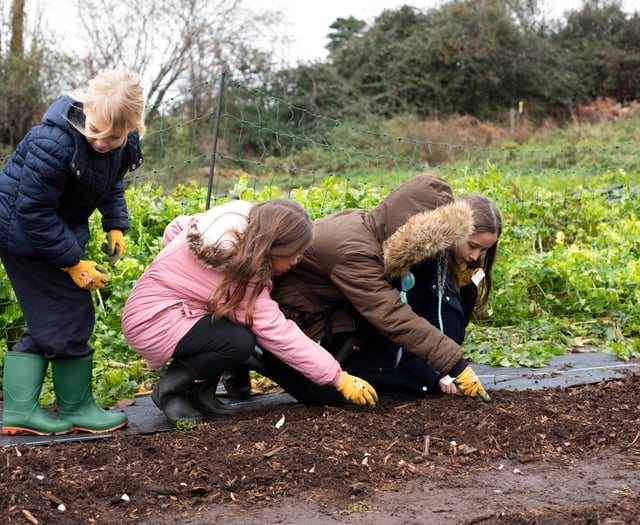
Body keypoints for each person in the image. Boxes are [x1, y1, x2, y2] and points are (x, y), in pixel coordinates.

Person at [223, 174, 498, 405]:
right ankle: (252, 354)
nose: (474, 256)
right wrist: (455, 365)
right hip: (287, 314)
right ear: (415, 226)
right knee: (325, 395)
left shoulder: (375, 230)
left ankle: (246, 355)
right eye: (470, 245)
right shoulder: (356, 252)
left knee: (345, 369)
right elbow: (391, 315)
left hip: (325, 312)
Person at [121, 198, 378, 427]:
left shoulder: (219, 231)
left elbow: (175, 229)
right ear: (273, 249)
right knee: (238, 342)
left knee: (226, 321)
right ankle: (169, 392)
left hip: (158, 308)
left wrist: (181, 278)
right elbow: (279, 334)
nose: (297, 261)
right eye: (294, 255)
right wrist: (338, 378)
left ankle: (200, 394)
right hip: (153, 322)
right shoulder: (240, 274)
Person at [0, 68, 146, 436]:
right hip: (21, 231)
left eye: (113, 136)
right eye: (95, 131)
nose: (101, 141)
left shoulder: (123, 143)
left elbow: (111, 182)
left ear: (132, 127)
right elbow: (32, 213)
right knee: (70, 313)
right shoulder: (54, 142)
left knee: (49, 319)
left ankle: (19, 411)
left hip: (52, 228)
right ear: (86, 109)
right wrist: (73, 262)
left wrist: (115, 223)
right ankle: (77, 408)